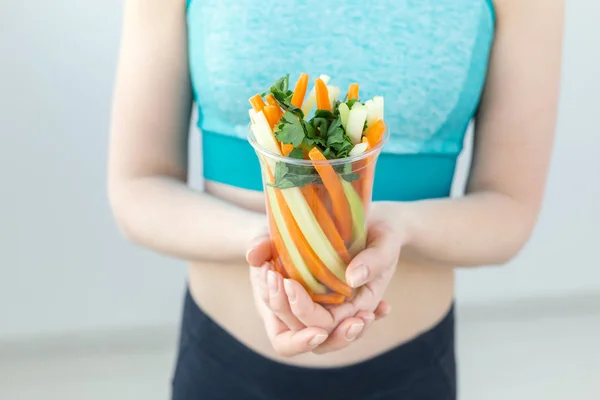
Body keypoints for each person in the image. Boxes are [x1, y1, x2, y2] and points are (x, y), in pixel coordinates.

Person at [107, 0, 564, 398]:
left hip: (410, 372)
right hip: (222, 363)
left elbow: (509, 210)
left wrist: (395, 230)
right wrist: (273, 244)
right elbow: (138, 189)